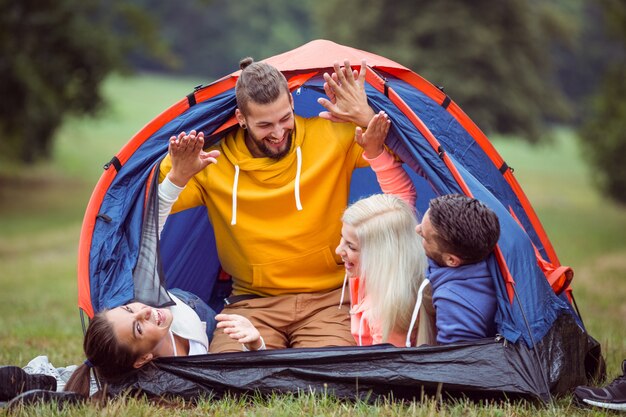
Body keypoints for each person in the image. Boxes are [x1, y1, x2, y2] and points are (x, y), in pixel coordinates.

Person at [158, 58, 377, 352]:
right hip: (251, 304)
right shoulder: (211, 161)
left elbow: (397, 155)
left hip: (328, 299)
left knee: (330, 375)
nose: (277, 132)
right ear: (241, 118)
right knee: (229, 378)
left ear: (291, 100)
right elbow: (152, 211)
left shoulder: (331, 135)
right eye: (264, 124)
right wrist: (178, 175)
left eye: (284, 118)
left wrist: (366, 116)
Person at [335, 111, 435, 347]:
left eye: (351, 246)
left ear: (381, 254)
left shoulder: (384, 316)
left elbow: (385, 373)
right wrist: (375, 151)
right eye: (343, 240)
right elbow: (400, 205)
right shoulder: (387, 267)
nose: (339, 250)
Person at [64, 289, 264, 398]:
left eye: (128, 309)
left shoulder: (155, 306)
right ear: (143, 359)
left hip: (187, 305)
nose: (145, 311)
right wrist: (256, 344)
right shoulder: (168, 381)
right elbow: (246, 376)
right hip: (202, 332)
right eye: (138, 328)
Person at [415, 194, 500, 344]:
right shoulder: (483, 243)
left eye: (425, 237)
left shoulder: (455, 303)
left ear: (451, 260)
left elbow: (456, 361)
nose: (417, 229)